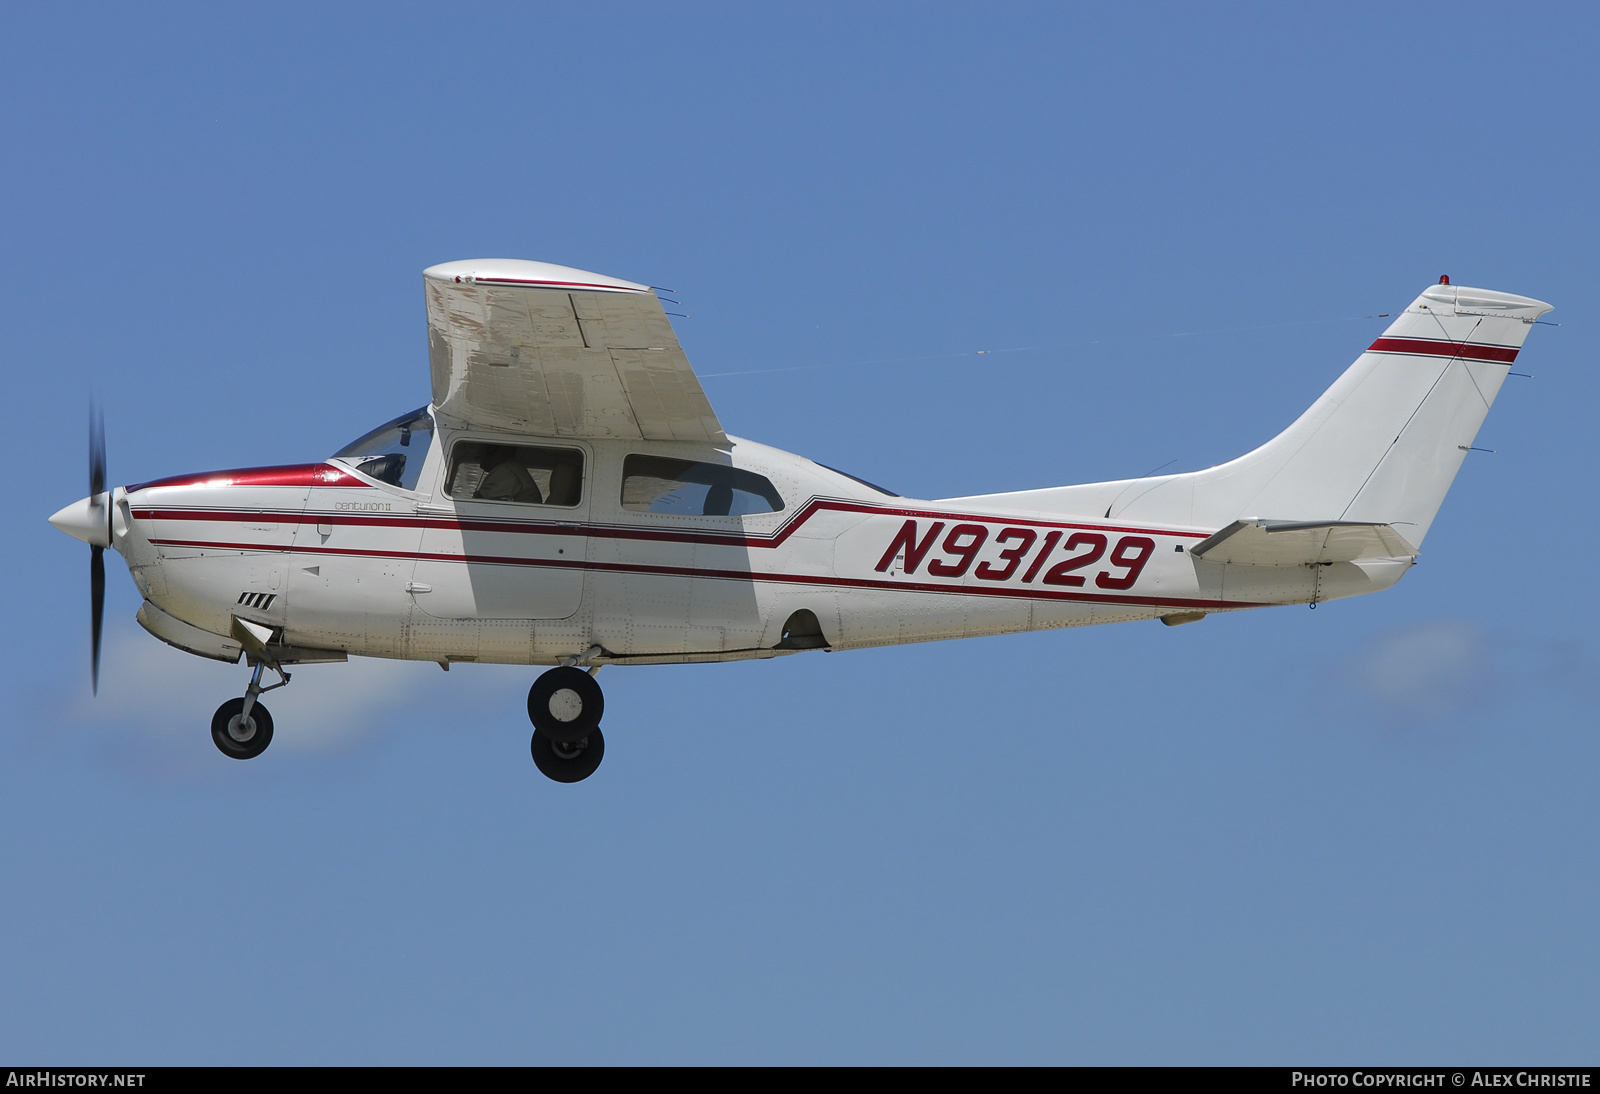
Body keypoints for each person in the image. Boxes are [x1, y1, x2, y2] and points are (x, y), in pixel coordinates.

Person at [474, 446, 543, 503]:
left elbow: (480, 505)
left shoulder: (505, 472)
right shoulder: (512, 468)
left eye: (481, 449)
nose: (478, 453)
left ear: (491, 449)